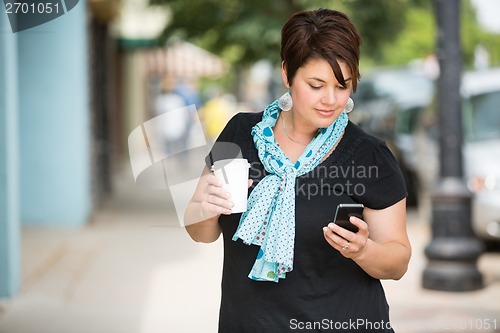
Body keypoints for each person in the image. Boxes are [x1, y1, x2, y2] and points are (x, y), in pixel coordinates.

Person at [184, 8, 411, 333]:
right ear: (287, 73)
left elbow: (398, 262)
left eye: (342, 85)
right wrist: (204, 210)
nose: (330, 99)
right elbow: (201, 232)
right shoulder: (239, 134)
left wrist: (363, 250)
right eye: (316, 85)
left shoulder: (368, 155)